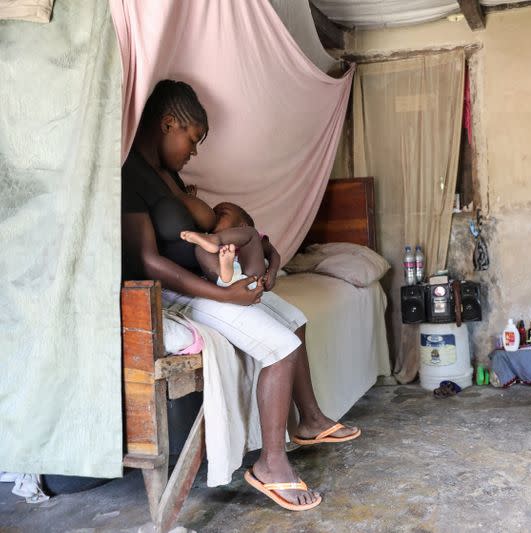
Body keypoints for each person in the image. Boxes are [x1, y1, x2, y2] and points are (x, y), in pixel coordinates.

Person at [121, 79, 360, 511]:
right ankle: (271, 465)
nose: (193, 153)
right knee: (281, 348)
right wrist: (228, 297)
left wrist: (249, 261)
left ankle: (308, 420)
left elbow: (208, 230)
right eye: (191, 141)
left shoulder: (168, 175)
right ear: (168, 122)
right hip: (177, 292)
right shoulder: (128, 175)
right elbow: (149, 262)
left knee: (294, 319)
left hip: (210, 282)